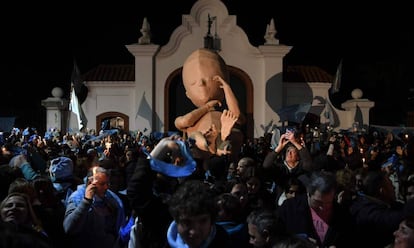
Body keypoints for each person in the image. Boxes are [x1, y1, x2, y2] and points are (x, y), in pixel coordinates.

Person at [174, 48, 244, 161]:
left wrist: (226, 88)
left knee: (235, 134)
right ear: (187, 94)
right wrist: (206, 107)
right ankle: (212, 145)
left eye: (209, 80)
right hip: (201, 154)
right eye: (193, 83)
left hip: (224, 149)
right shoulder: (189, 121)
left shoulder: (224, 115)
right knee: (195, 137)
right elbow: (184, 121)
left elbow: (237, 117)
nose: (201, 84)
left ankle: (223, 142)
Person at [276, 170, 355, 247]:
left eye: (328, 203)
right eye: (318, 202)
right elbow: (276, 239)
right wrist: (299, 242)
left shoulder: (342, 215)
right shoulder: (289, 208)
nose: (322, 208)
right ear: (308, 193)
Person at [63, 166, 125, 248]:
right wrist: (86, 202)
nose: (106, 187)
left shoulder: (111, 197)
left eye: (107, 183)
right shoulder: (77, 198)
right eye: (102, 184)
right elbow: (69, 228)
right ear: (90, 183)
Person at [166, 179, 233, 248]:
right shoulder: (166, 241)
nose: (194, 232)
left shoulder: (223, 242)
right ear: (176, 221)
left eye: (203, 221)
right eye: (186, 222)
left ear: (211, 221)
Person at [262, 128, 313, 197]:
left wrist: (295, 143)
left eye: (292, 151)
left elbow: (308, 164)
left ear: (298, 156)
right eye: (288, 151)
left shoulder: (302, 167)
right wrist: (279, 147)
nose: (289, 153)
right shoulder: (279, 168)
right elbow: (266, 166)